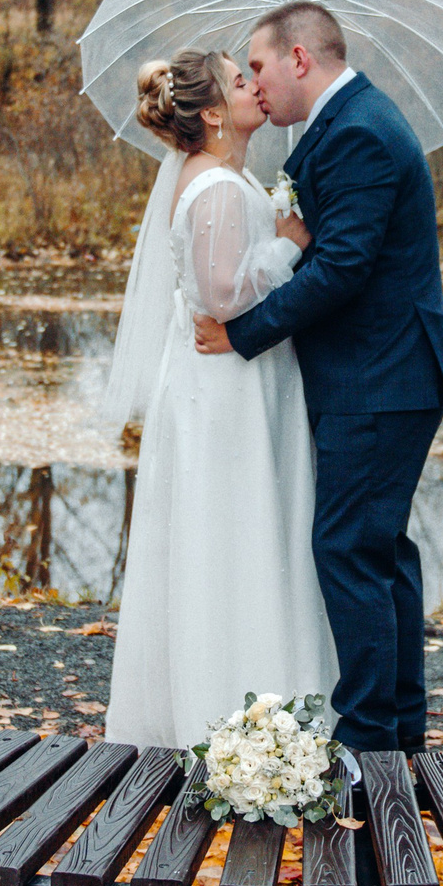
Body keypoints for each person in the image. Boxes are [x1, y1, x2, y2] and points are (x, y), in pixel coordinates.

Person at [193, 2, 443, 756]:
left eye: (258, 65)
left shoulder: (358, 133)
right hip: (384, 374)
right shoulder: (343, 127)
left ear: (300, 59)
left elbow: (343, 268)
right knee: (379, 551)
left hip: (381, 377)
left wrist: (243, 332)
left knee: (347, 548)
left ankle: (371, 743)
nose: (253, 81)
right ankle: (400, 731)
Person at [98, 48, 342, 751]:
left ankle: (239, 703)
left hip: (219, 379)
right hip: (227, 387)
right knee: (237, 533)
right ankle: (239, 710)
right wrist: (291, 244)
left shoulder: (222, 178)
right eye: (241, 81)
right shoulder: (219, 189)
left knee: (224, 530)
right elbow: (223, 295)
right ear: (210, 112)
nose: (255, 89)